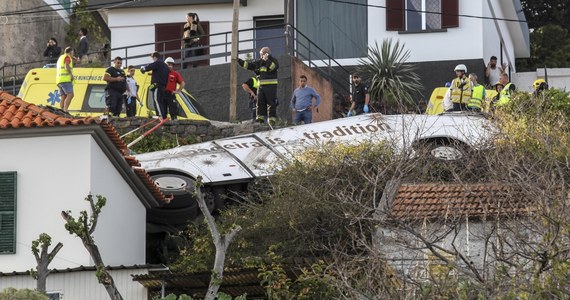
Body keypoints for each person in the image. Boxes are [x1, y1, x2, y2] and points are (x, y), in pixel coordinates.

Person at [237, 47, 279, 125]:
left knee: (271, 102)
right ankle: (260, 119)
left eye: (262, 53)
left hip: (271, 86)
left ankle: (272, 120)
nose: (261, 55)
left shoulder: (273, 60)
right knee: (260, 103)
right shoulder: (259, 62)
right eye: (261, 53)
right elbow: (249, 65)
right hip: (261, 87)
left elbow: (273, 67)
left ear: (267, 53)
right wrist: (239, 60)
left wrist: (267, 60)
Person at [141, 51, 169, 119]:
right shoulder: (165, 65)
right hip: (163, 85)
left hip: (157, 85)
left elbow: (149, 67)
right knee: (162, 101)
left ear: (155, 57)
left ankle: (160, 116)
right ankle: (163, 115)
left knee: (157, 100)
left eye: (153, 58)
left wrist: (143, 69)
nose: (153, 60)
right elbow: (160, 73)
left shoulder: (158, 62)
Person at [56, 47, 75, 112]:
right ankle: (65, 110)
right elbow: (66, 66)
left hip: (59, 80)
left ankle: (61, 110)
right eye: (73, 52)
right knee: (70, 94)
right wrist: (71, 74)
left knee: (63, 96)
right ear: (71, 52)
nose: (73, 54)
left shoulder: (61, 58)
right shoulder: (67, 57)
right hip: (65, 80)